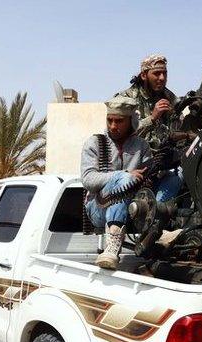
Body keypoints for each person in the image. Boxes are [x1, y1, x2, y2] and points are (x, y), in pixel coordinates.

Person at [82, 97, 182, 269]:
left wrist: (160, 169)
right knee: (125, 178)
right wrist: (124, 174)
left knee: (174, 178)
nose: (113, 126)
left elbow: (148, 178)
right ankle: (113, 244)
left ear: (131, 121)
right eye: (110, 120)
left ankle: (157, 226)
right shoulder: (95, 143)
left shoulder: (141, 145)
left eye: (119, 121)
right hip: (99, 208)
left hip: (131, 208)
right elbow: (88, 180)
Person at [115, 54, 180, 150]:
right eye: (157, 73)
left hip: (164, 158)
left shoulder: (171, 98)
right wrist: (152, 119)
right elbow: (119, 134)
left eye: (164, 73)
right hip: (133, 157)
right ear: (144, 75)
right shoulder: (125, 99)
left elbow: (179, 130)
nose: (162, 78)